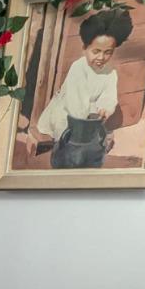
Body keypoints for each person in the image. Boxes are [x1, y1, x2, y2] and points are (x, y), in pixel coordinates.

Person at [37, 9, 134, 169]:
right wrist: (89, 120)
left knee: (97, 141)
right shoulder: (78, 67)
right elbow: (75, 103)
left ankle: (88, 156)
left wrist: (105, 108)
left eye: (108, 52)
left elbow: (109, 96)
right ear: (85, 48)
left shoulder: (110, 72)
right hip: (68, 113)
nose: (101, 57)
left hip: (91, 116)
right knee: (69, 140)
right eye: (96, 51)